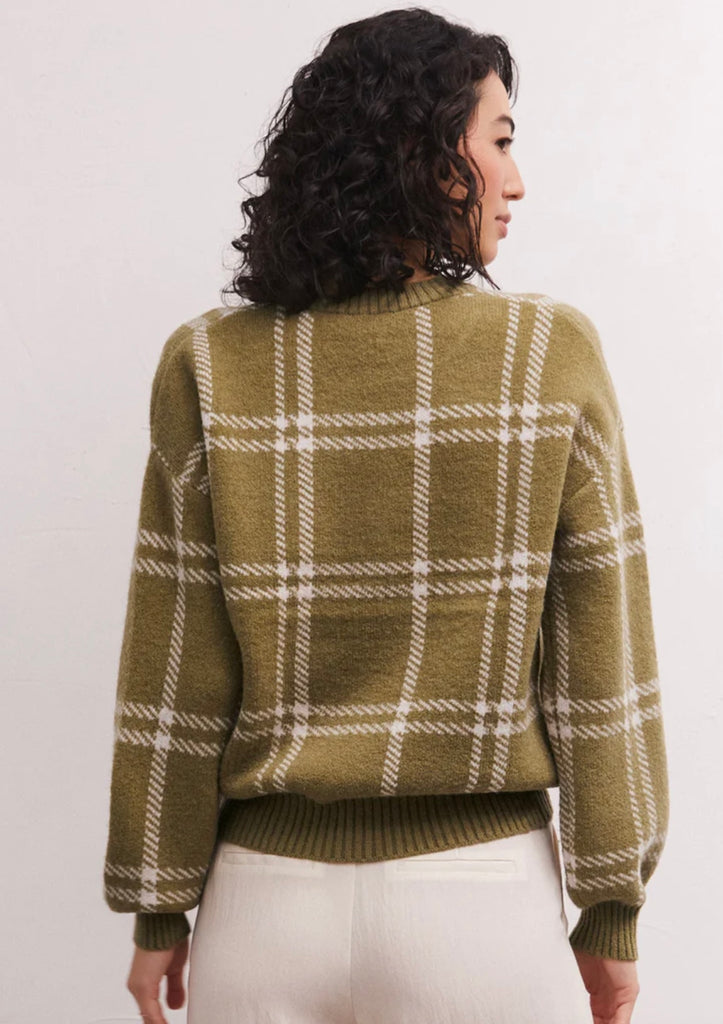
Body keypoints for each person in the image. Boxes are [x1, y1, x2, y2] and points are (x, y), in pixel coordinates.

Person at [103, 8, 670, 1023]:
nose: (515, 180)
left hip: (262, 910)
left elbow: (176, 668)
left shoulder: (211, 362)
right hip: (479, 908)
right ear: (427, 154)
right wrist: (612, 907)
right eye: (499, 141)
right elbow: (601, 667)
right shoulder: (548, 354)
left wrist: (157, 908)